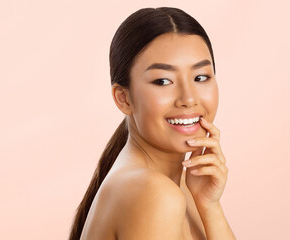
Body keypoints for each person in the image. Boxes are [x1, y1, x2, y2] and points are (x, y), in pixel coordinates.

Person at [68, 7, 236, 240]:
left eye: (200, 77)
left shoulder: (181, 185)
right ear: (124, 98)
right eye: (163, 81)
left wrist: (210, 207)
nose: (189, 98)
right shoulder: (153, 192)